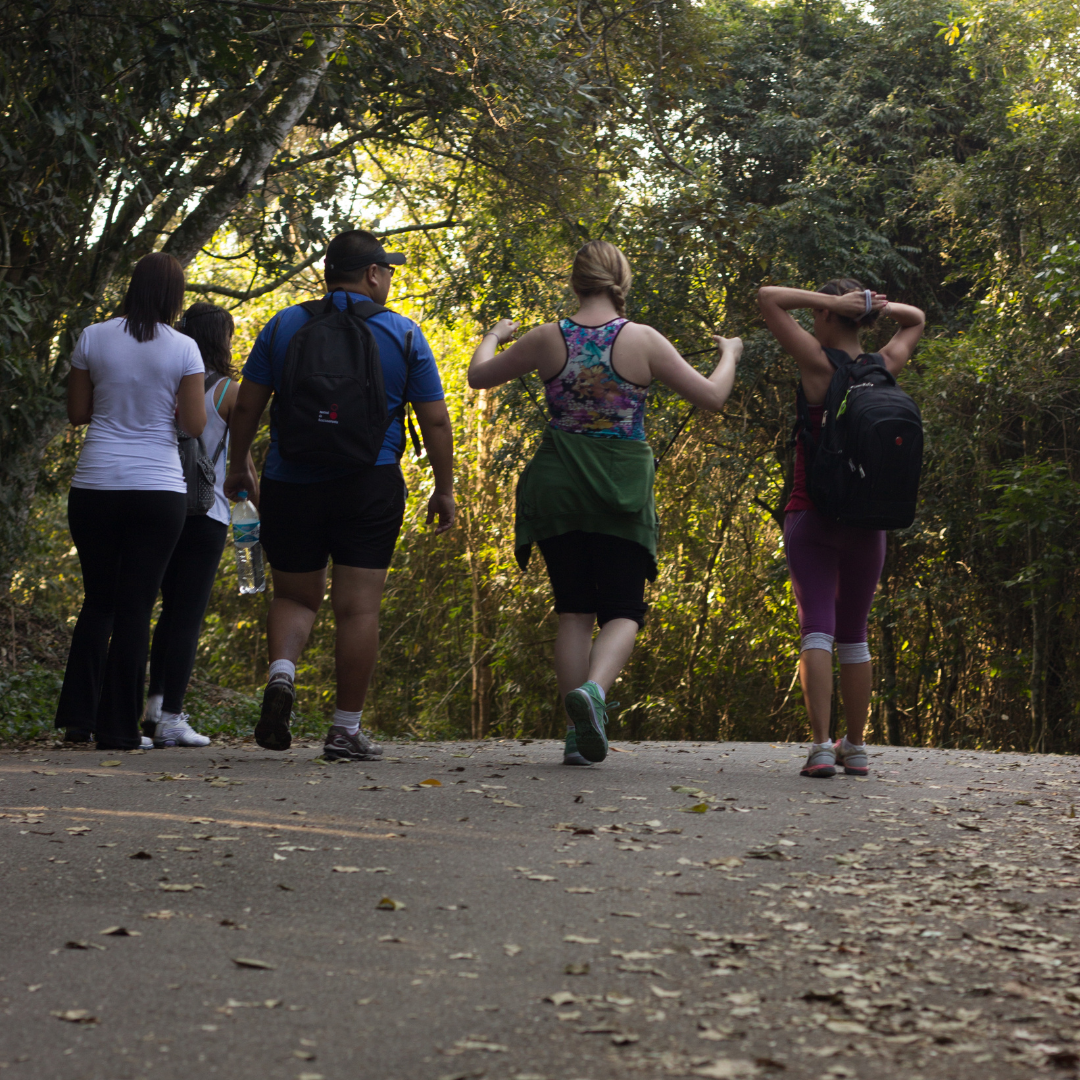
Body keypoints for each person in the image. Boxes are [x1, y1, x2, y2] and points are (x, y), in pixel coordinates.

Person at [469, 240, 741, 766]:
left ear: (576, 281)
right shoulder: (643, 339)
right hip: (620, 489)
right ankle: (594, 692)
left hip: (558, 487)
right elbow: (712, 397)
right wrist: (729, 353)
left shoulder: (546, 338)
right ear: (622, 280)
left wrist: (495, 335)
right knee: (623, 608)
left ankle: (577, 736)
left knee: (573, 609)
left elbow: (479, 376)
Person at [224, 229, 455, 759]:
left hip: (290, 480)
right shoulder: (403, 334)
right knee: (358, 610)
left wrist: (239, 465)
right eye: (387, 270)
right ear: (372, 274)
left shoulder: (284, 324)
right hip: (369, 484)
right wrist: (443, 489)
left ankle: (282, 675)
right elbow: (436, 421)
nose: (389, 278)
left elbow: (248, 405)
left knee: (293, 597)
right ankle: (344, 730)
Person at [757, 278, 925, 778]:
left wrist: (830, 300)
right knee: (854, 635)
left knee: (817, 629)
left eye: (820, 312)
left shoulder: (817, 364)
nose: (814, 319)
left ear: (830, 314)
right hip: (869, 523)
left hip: (812, 514)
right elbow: (916, 319)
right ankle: (856, 745)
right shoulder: (883, 365)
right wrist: (875, 306)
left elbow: (768, 298)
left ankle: (820, 748)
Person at [55, 252, 207, 750]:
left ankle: (79, 720)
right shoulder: (184, 348)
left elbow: (78, 412)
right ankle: (119, 730)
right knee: (137, 607)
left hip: (96, 483)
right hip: (157, 489)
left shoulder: (93, 337)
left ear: (132, 285)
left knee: (98, 600)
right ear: (174, 295)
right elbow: (193, 425)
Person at [143, 302, 257, 748]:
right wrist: (257, 516)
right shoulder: (230, 392)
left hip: (160, 501)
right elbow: (243, 463)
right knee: (186, 617)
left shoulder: (167, 380)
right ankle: (172, 715)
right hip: (208, 513)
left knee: (162, 612)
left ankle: (154, 709)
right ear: (221, 339)